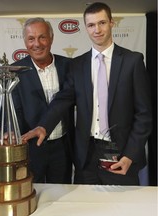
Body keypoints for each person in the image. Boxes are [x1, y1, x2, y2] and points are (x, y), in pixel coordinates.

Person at [22, 2, 152, 185]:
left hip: (121, 154)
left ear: (111, 23)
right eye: (91, 25)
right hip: (86, 156)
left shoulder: (133, 61)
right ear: (86, 28)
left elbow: (144, 115)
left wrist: (130, 154)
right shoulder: (77, 65)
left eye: (102, 23)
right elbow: (63, 100)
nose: (97, 30)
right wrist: (43, 126)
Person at [11, 18, 74, 183]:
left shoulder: (69, 66)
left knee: (62, 196)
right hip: (31, 149)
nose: (37, 44)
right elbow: (15, 112)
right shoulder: (15, 71)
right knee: (32, 196)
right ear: (25, 42)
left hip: (63, 147)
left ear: (51, 38)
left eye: (42, 37)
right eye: (31, 39)